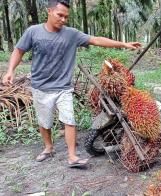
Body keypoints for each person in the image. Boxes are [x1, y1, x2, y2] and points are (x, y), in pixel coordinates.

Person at [2, 0, 141, 168]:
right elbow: (19, 50)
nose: (63, 20)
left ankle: (72, 156)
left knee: (69, 120)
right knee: (44, 122)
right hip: (40, 87)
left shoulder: (71, 34)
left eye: (66, 17)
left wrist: (123, 44)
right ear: (49, 11)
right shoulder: (33, 32)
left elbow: (96, 40)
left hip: (63, 87)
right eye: (60, 15)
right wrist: (10, 71)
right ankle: (48, 148)